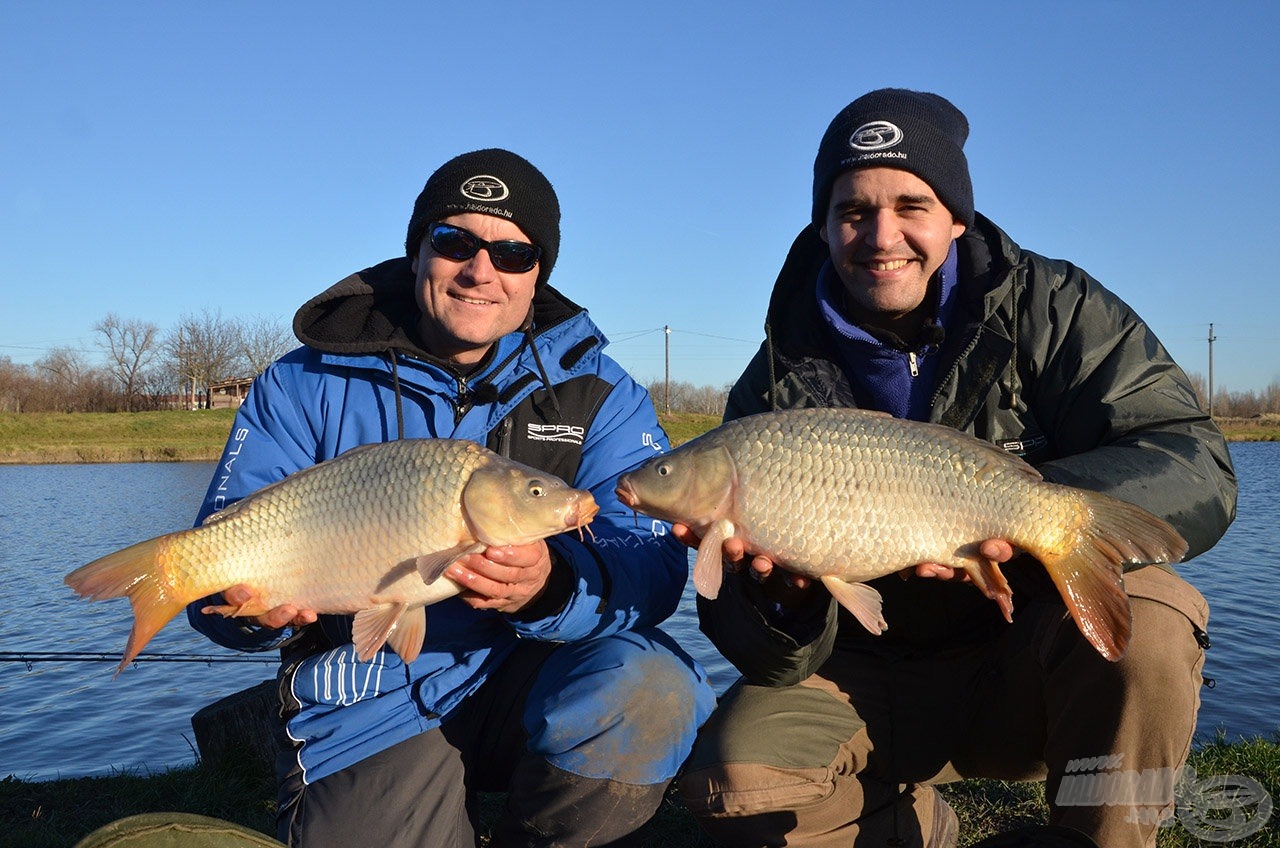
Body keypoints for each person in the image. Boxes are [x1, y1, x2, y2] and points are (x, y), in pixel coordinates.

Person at [674, 90, 1237, 848]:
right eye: (852, 211)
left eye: (912, 205)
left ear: (956, 218)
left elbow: (1193, 460)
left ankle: (1098, 838)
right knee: (735, 783)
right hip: (862, 668)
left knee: (1157, 624)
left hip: (1019, 658)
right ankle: (912, 827)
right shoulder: (773, 377)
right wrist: (785, 598)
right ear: (822, 223)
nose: (882, 236)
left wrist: (1032, 522)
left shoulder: (1054, 306)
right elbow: (755, 648)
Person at [187, 148, 717, 848]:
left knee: (650, 687)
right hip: (370, 695)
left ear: (539, 275)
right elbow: (210, 583)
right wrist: (254, 616)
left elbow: (650, 569)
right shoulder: (302, 382)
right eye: (454, 241)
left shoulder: (601, 391)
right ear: (417, 253)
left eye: (513, 253)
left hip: (545, 674)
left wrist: (553, 588)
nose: (480, 271)